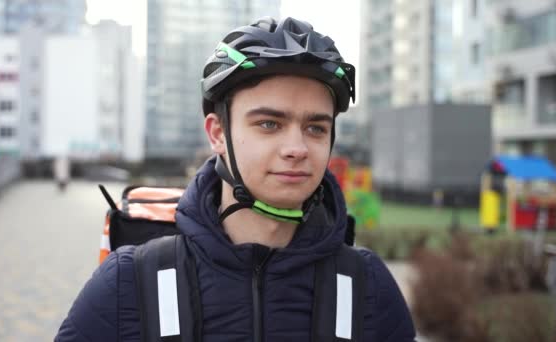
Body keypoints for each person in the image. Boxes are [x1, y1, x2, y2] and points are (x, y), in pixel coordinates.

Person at [55, 17, 416, 341]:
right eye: (269, 124)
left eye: (315, 127)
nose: (297, 147)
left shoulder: (367, 287)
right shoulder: (130, 281)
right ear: (217, 134)